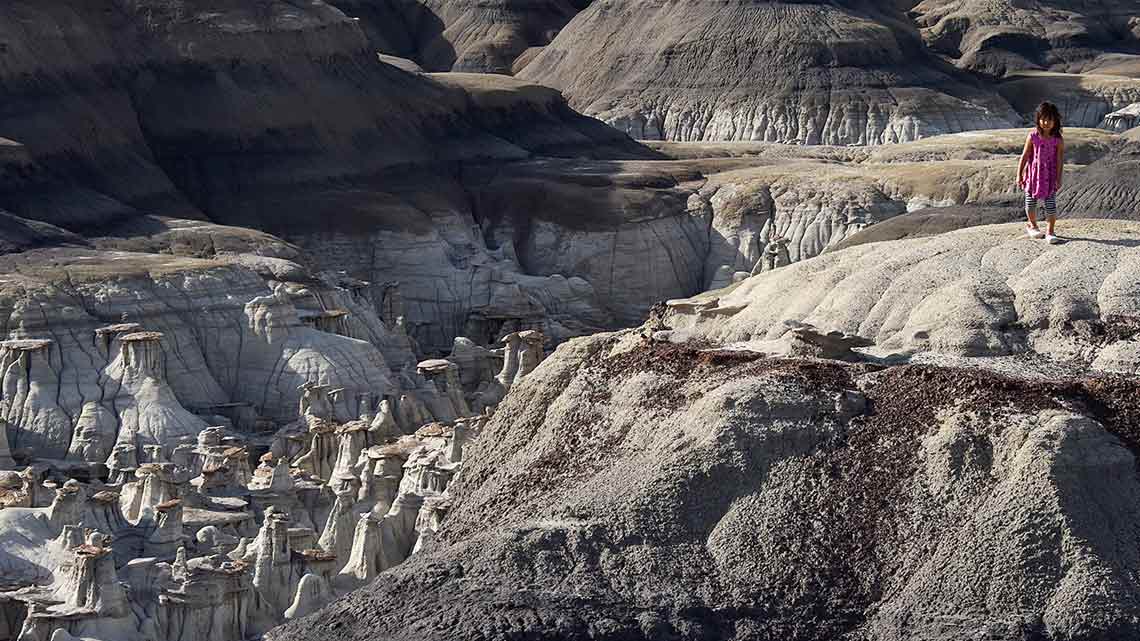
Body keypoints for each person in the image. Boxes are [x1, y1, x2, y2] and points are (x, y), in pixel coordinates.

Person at [1017, 102, 1065, 243]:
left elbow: (1060, 160)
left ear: (1055, 121)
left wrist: (1059, 178)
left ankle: (1050, 231)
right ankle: (1032, 225)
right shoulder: (1033, 136)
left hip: (1049, 177)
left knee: (1050, 205)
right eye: (1043, 119)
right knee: (1030, 203)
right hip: (1033, 176)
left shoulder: (1058, 140)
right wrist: (1019, 174)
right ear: (1038, 119)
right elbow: (1025, 156)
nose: (1046, 123)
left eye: (1049, 119)